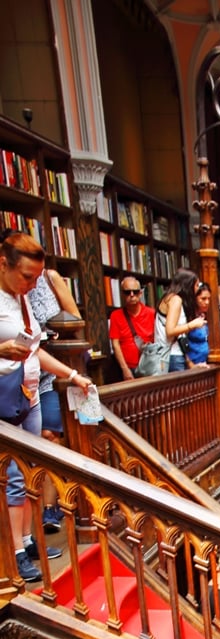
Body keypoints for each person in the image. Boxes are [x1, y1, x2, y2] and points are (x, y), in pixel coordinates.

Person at [0, 230, 91, 583]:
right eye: (27, 276)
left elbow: (35, 349)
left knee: (31, 472)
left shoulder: (21, 299)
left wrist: (72, 373)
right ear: (4, 264)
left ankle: (28, 539)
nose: (32, 284)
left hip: (31, 393)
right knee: (13, 479)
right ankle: (16, 554)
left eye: (37, 277)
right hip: (5, 395)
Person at [28, 263, 81, 532]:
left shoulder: (49, 279)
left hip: (50, 372)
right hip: (18, 378)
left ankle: (49, 508)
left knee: (50, 435)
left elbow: (74, 317)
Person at [154, 268, 204, 373]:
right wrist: (192, 325)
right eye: (196, 285)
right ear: (187, 285)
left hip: (174, 354)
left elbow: (179, 337)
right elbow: (170, 331)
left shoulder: (170, 298)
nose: (197, 289)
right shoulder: (175, 299)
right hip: (171, 356)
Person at [108, 275, 155, 380]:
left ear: (141, 293)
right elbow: (115, 344)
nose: (132, 295)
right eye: (127, 292)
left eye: (135, 291)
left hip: (149, 365)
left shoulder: (151, 313)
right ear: (122, 294)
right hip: (129, 367)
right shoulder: (116, 315)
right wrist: (125, 369)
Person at [184, 282, 211, 367]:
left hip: (204, 363)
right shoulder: (188, 317)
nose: (207, 302)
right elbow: (181, 343)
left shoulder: (205, 315)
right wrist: (190, 364)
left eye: (209, 299)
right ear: (194, 299)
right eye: (203, 299)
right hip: (191, 366)